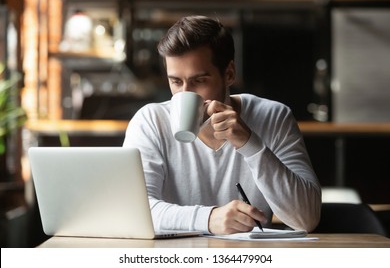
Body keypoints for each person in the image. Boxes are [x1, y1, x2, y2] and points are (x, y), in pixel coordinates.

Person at [123, 15, 321, 235]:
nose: (185, 93)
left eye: (199, 80)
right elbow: (133, 213)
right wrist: (208, 218)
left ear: (229, 74)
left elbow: (306, 219)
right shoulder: (150, 122)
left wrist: (251, 144)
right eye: (176, 81)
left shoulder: (274, 117)